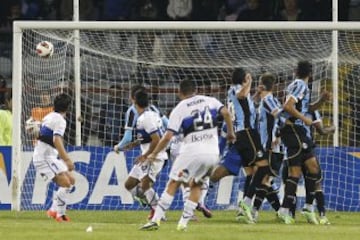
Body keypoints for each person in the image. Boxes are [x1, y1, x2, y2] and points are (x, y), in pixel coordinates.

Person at [140, 79, 235, 231]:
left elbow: (168, 136)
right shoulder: (210, 100)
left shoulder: (180, 108)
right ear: (195, 90)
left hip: (192, 151)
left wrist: (154, 153)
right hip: (212, 152)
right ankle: (182, 224)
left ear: (180, 92)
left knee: (173, 183)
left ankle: (155, 220)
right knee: (196, 184)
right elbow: (226, 112)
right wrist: (230, 133)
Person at [277, 60, 331, 224]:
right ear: (311, 74)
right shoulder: (300, 85)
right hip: (293, 129)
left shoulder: (298, 85)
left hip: (296, 131)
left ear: (295, 70)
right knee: (296, 171)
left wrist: (321, 100)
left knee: (313, 167)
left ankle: (307, 207)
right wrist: (305, 120)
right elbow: (288, 106)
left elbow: (306, 108)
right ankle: (285, 210)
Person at [121, 89, 168, 220]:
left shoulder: (146, 118)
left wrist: (146, 155)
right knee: (128, 185)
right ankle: (152, 205)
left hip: (154, 157)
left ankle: (158, 212)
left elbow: (156, 139)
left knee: (145, 185)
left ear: (134, 102)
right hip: (149, 155)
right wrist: (133, 144)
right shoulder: (150, 115)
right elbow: (146, 138)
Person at [32, 93, 74, 222]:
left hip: (49, 156)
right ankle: (60, 214)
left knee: (71, 180)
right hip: (44, 158)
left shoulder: (49, 116)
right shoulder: (60, 120)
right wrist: (66, 159)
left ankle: (53, 210)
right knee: (66, 183)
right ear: (68, 108)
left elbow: (43, 135)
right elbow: (56, 140)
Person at [251, 72, 283, 222]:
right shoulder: (265, 100)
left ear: (261, 85)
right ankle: (280, 210)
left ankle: (254, 211)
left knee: (263, 178)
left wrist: (278, 135)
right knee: (265, 179)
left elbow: (281, 117)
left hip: (270, 147)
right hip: (264, 146)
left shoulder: (269, 101)